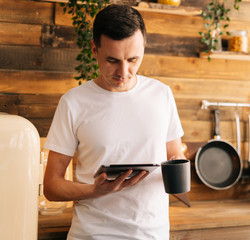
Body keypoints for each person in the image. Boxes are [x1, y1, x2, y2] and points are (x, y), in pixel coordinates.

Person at [43, 4, 185, 240]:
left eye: (133, 59)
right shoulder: (73, 102)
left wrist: (178, 164)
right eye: (112, 60)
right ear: (94, 49)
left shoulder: (162, 95)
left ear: (143, 49)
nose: (123, 71)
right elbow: (51, 187)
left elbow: (173, 156)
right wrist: (94, 190)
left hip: (152, 234)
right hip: (93, 234)